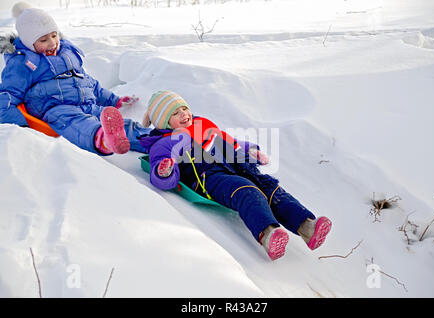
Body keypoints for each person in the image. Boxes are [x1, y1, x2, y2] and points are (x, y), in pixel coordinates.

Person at [139, 90, 332, 261]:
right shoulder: (165, 142)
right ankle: (268, 235)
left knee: (272, 189)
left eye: (183, 108)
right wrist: (164, 171)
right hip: (211, 177)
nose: (183, 114)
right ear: (164, 122)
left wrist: (250, 152)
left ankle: (307, 227)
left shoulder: (201, 124)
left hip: (239, 166)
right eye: (174, 113)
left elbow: (229, 140)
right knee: (247, 192)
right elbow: (160, 173)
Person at [0, 7, 150, 155]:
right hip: (56, 109)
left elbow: (88, 82)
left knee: (115, 121)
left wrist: (113, 99)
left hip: (87, 105)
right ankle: (103, 140)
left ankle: (154, 138)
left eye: (54, 35)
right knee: (79, 124)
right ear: (28, 43)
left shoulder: (67, 54)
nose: (52, 43)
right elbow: (7, 97)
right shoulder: (23, 64)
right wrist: (21, 126)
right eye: (43, 40)